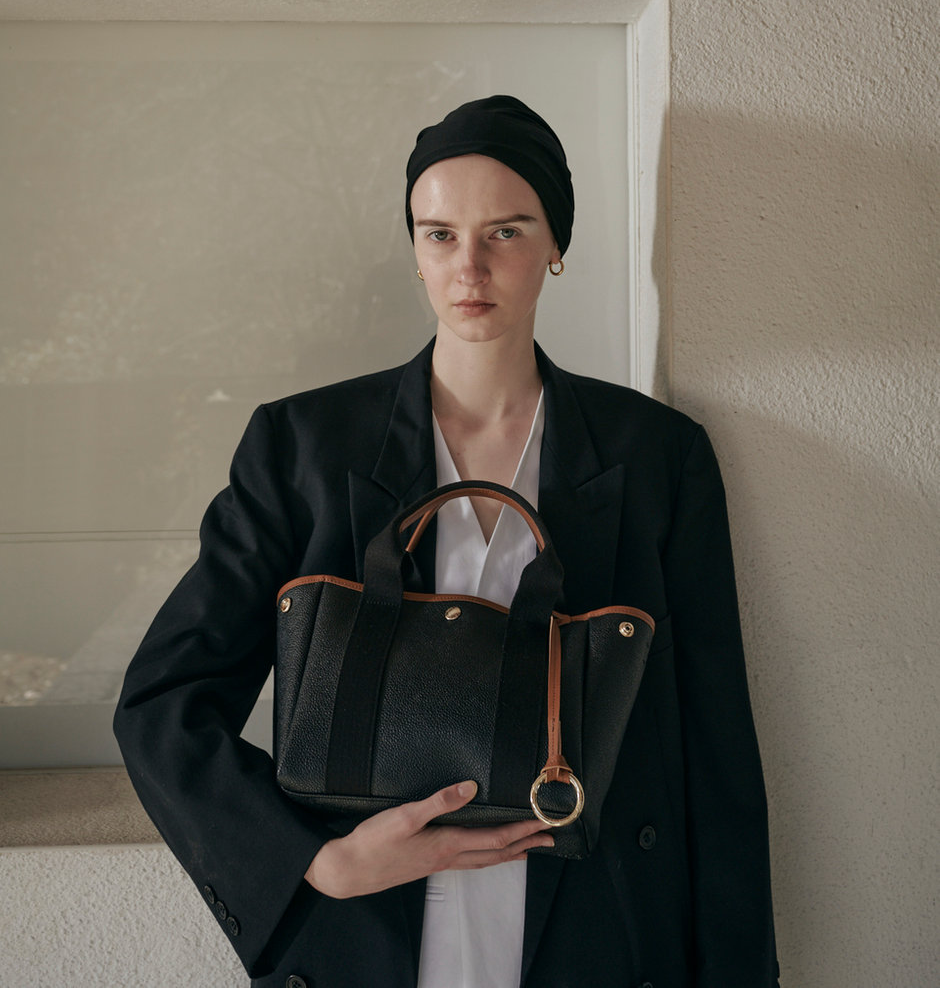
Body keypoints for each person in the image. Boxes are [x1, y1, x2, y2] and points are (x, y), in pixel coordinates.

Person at [114, 95, 779, 987]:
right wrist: (316, 860)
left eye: (505, 231)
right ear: (415, 251)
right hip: (368, 944)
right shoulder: (303, 448)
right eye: (439, 234)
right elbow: (162, 704)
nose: (470, 265)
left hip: (597, 943)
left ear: (555, 243)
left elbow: (715, 752)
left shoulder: (657, 457)